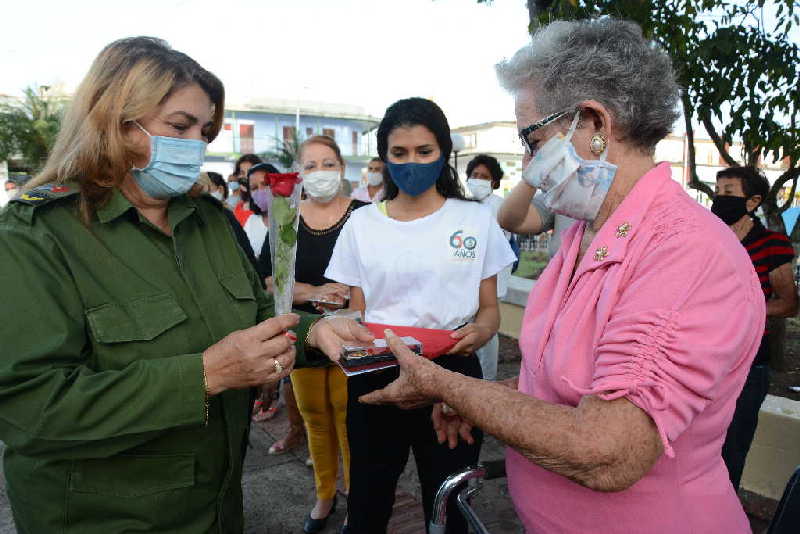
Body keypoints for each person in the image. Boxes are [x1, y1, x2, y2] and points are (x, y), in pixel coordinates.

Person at [359, 19, 765, 534]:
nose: (528, 164)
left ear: (593, 122)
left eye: (532, 139)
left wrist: (445, 385)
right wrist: (485, 404)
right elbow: (560, 388)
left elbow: (609, 450)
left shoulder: (685, 252)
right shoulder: (586, 231)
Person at [0, 36, 372, 533]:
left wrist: (313, 334)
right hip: (104, 518)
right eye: (180, 126)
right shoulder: (36, 235)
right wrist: (204, 374)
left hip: (217, 508)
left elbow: (256, 314)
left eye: (205, 130)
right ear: (115, 120)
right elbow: (29, 406)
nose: (196, 144)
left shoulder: (208, 220)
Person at [325, 97, 516, 534]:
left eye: (424, 152)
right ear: (385, 158)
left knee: (450, 501)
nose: (412, 162)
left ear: (444, 153)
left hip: (453, 374)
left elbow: (489, 311)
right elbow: (358, 311)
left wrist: (480, 333)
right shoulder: (362, 224)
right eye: (400, 153)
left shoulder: (474, 220)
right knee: (369, 500)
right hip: (376, 372)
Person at [260, 135, 368, 533]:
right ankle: (324, 494)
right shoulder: (285, 217)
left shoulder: (363, 214)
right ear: (299, 173)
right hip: (303, 335)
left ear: (341, 167)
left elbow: (377, 273)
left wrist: (350, 301)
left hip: (353, 334)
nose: (320, 173)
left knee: (348, 417)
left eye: (328, 163)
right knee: (314, 417)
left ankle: (359, 498)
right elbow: (270, 280)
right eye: (310, 165)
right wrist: (313, 292)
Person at [712, 166, 798, 491]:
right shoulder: (709, 236)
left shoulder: (771, 243)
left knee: (733, 450)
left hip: (747, 363)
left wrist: (742, 310)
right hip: (705, 355)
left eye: (729, 192)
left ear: (753, 201)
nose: (720, 198)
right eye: (718, 190)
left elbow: (789, 303)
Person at [466, 154, 513, 380]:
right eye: (474, 175)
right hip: (466, 280)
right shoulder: (462, 205)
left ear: (494, 182)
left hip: (491, 282)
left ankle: (488, 382)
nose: (478, 179)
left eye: (484, 177)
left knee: (486, 332)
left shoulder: (500, 207)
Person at [243, 162, 277, 255]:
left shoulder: (296, 218)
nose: (260, 190)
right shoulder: (251, 222)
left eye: (265, 184)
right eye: (254, 188)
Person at [232, 153, 262, 224]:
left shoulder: (267, 207)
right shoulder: (238, 208)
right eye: (242, 173)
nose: (245, 177)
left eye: (250, 173)